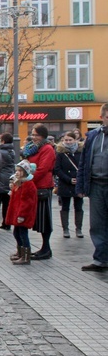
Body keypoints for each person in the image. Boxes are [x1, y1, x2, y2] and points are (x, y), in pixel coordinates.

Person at [76, 102, 108, 272]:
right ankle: (100, 259)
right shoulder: (94, 136)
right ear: (101, 117)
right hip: (96, 184)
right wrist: (81, 185)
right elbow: (84, 162)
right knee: (97, 224)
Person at [24, 123, 56, 260]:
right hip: (34, 185)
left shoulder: (47, 149)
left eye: (36, 134)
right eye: (32, 134)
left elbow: (43, 169)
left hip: (42, 186)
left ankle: (46, 248)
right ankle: (43, 248)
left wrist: (29, 179)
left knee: (45, 218)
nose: (33, 137)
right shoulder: (33, 149)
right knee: (39, 219)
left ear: (42, 135)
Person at [6, 160, 38, 265]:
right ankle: (20, 252)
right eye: (17, 170)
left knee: (23, 234)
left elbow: (27, 202)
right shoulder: (20, 183)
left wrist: (22, 215)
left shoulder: (28, 184)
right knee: (17, 232)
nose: (17, 172)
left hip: (23, 214)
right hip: (18, 212)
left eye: (20, 171)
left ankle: (26, 256)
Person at [54, 131, 84, 239]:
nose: (68, 142)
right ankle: (65, 229)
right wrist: (68, 179)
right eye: (66, 140)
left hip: (78, 183)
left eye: (70, 140)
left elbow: (83, 166)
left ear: (75, 140)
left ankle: (78, 229)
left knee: (79, 207)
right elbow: (57, 169)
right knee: (65, 207)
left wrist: (79, 179)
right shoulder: (60, 153)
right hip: (65, 183)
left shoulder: (81, 151)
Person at [0, 133, 16, 230]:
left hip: (1, 177)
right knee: (7, 203)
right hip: (10, 176)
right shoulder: (12, 151)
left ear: (3, 141)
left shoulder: (1, 152)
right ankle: (7, 222)